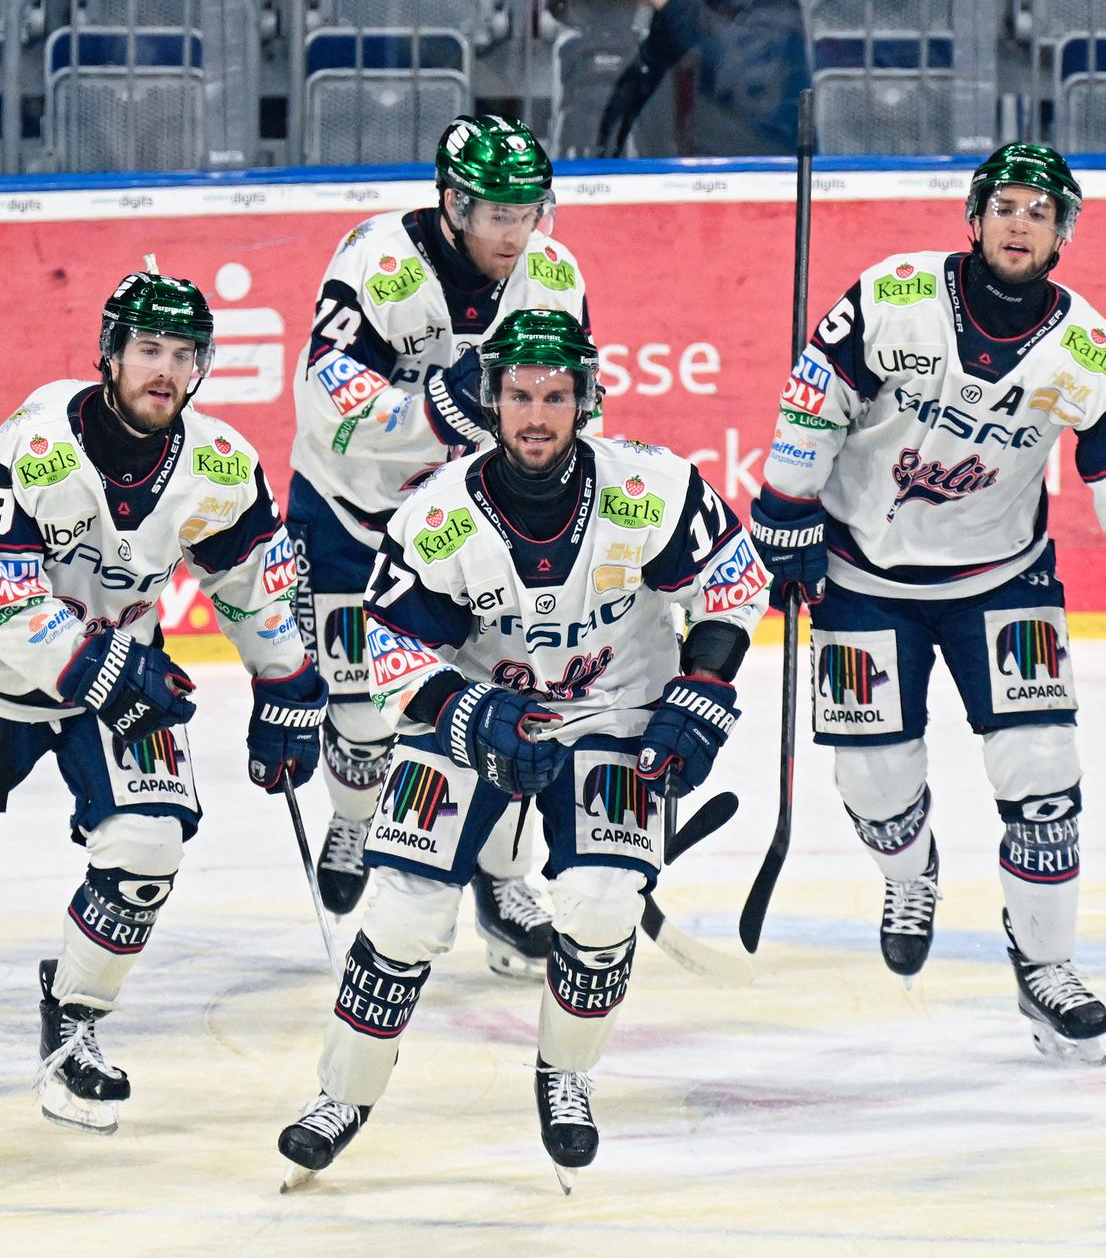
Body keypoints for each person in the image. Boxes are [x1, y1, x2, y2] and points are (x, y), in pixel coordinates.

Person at [276, 308, 770, 1191]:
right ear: (491, 401)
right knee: (404, 913)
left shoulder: (651, 487)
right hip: (480, 712)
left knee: (602, 904)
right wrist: (470, 718)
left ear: (586, 401)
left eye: (555, 396)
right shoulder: (437, 515)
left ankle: (566, 1076)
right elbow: (383, 648)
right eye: (518, 396)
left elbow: (733, 581)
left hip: (616, 713)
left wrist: (703, 693)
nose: (536, 416)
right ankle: (341, 1097)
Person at [750, 143, 1106, 1065]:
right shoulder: (893, 296)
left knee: (1043, 775)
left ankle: (1047, 964)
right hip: (861, 572)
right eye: (1006, 206)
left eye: (1040, 213)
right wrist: (785, 507)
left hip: (1003, 581)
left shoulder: (1089, 351)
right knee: (875, 784)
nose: (1020, 224)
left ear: (1061, 236)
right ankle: (910, 870)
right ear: (975, 218)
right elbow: (816, 396)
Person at [0, 269, 327, 1133]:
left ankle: (72, 1022)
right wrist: (96, 664)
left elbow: (255, 588)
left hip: (120, 682)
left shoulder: (218, 466)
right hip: (17, 678)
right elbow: (5, 601)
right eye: (148, 349)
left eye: (184, 355)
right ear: (109, 354)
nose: (165, 370)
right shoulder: (35, 442)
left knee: (148, 847)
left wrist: (285, 685)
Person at [287, 114, 592, 979]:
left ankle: (503, 879)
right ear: (452, 204)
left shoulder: (554, 273)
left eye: (526, 210)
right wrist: (436, 412)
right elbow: (329, 407)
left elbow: (576, 405)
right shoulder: (380, 266)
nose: (513, 230)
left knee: (519, 703)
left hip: (472, 535)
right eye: (495, 211)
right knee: (357, 713)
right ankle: (353, 815)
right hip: (352, 518)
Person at [596, 0, 810, 159]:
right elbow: (650, 72)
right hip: (678, 173)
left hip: (765, 176)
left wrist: (669, 3)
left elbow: (756, 82)